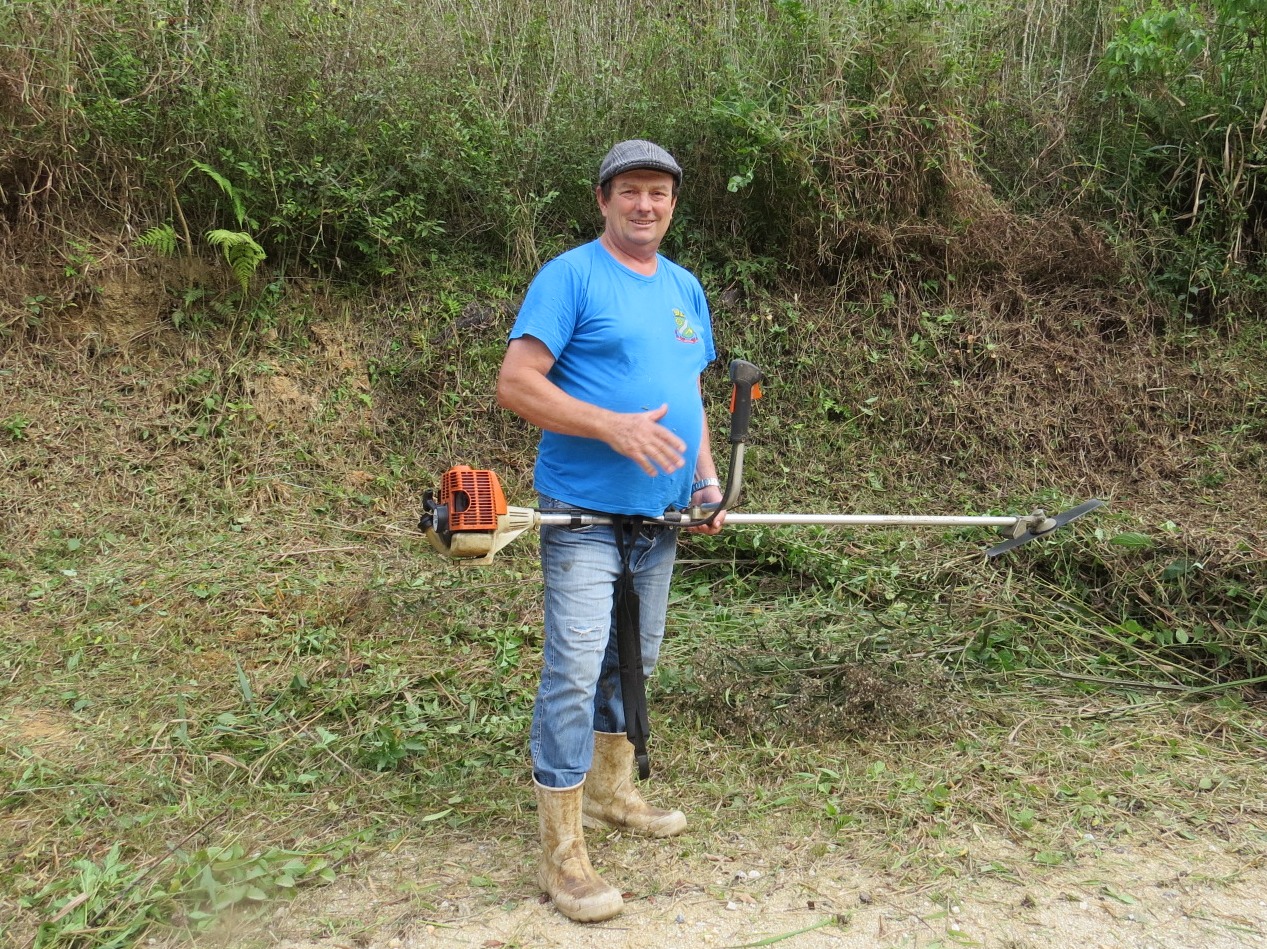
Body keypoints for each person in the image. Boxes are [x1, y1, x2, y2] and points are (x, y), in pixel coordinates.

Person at [496, 139, 726, 923]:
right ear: (603, 199)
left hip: (658, 517)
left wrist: (705, 480)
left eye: (658, 193)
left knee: (636, 659)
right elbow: (516, 381)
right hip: (583, 515)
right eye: (630, 191)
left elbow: (688, 390)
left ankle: (610, 789)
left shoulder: (685, 288)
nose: (645, 205)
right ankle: (563, 855)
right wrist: (611, 427)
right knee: (574, 665)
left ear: (671, 204)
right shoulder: (569, 276)